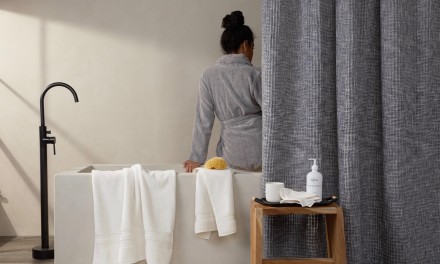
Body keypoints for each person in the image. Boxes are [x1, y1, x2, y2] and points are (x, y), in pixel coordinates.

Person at [183, 11, 262, 172]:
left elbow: (203, 121)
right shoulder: (256, 75)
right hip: (261, 153)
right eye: (252, 47)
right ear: (245, 45)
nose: (252, 53)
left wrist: (196, 158)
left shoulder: (208, 75)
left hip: (230, 156)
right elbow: (275, 116)